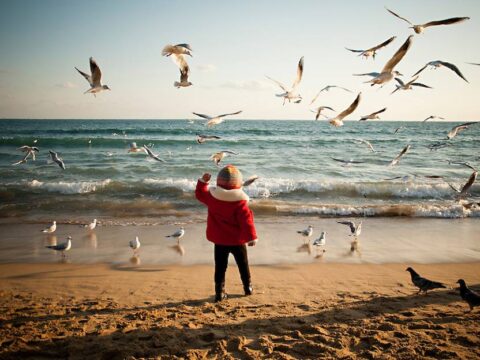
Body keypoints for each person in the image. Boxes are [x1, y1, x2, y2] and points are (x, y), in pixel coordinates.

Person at [195, 164, 258, 302]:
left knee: (220, 267)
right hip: (237, 241)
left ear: (218, 182)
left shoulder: (212, 198)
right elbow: (247, 222)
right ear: (238, 184)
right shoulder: (240, 203)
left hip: (220, 241)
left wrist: (203, 182)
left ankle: (219, 293)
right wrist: (251, 238)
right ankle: (248, 288)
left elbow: (199, 194)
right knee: (243, 265)